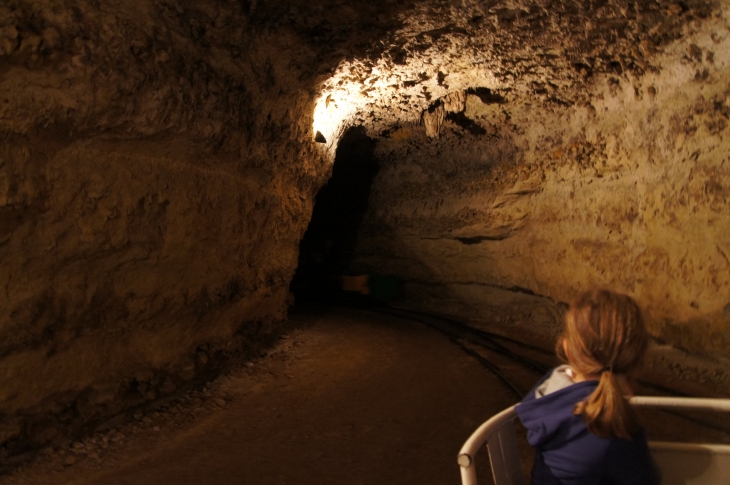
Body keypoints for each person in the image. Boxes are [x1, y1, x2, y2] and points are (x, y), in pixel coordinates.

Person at [515, 289, 661, 485]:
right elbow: (649, 480)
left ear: (568, 349)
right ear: (637, 354)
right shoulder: (617, 428)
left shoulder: (549, 391)